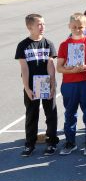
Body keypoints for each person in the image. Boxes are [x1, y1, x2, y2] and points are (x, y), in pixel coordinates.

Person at [15, 13, 58, 157]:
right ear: (30, 27)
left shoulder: (48, 44)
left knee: (50, 113)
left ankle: (51, 142)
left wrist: (52, 85)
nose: (42, 27)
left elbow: (51, 66)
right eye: (39, 24)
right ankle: (29, 144)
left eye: (43, 24)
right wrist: (27, 88)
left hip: (46, 83)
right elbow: (24, 68)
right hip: (32, 85)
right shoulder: (23, 45)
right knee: (32, 114)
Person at [56, 13, 86, 156]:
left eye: (80, 27)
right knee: (69, 114)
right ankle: (70, 142)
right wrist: (70, 69)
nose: (77, 29)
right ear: (69, 26)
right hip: (69, 84)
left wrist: (83, 67)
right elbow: (59, 68)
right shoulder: (64, 44)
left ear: (85, 26)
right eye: (74, 27)